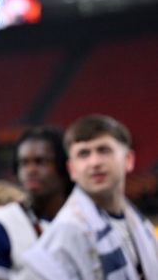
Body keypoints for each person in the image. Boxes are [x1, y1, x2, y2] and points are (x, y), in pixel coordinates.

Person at [20, 115, 158, 280]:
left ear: (128, 159)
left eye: (103, 150)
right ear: (71, 169)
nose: (94, 162)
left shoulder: (139, 223)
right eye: (83, 154)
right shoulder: (67, 231)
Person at [0, 126, 73, 279]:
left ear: (64, 166)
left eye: (40, 162)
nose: (30, 170)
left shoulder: (86, 218)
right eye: (23, 163)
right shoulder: (0, 222)